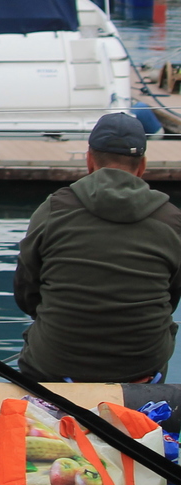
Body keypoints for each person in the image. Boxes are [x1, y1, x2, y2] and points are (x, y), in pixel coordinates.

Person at [15, 111, 181, 383]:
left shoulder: (54, 209)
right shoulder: (172, 220)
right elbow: (171, 297)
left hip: (56, 364)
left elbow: (26, 292)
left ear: (89, 160)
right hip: (141, 370)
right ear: (142, 166)